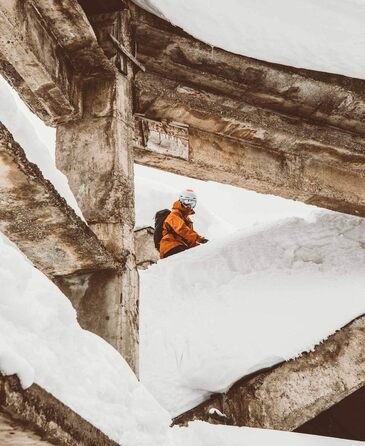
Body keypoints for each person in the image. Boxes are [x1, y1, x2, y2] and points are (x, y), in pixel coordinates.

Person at [160, 189, 208, 259]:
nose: (189, 206)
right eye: (187, 201)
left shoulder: (187, 219)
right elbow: (182, 230)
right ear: (181, 201)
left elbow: (190, 240)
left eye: (192, 203)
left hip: (180, 246)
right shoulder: (174, 215)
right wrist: (199, 239)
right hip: (171, 246)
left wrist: (201, 249)